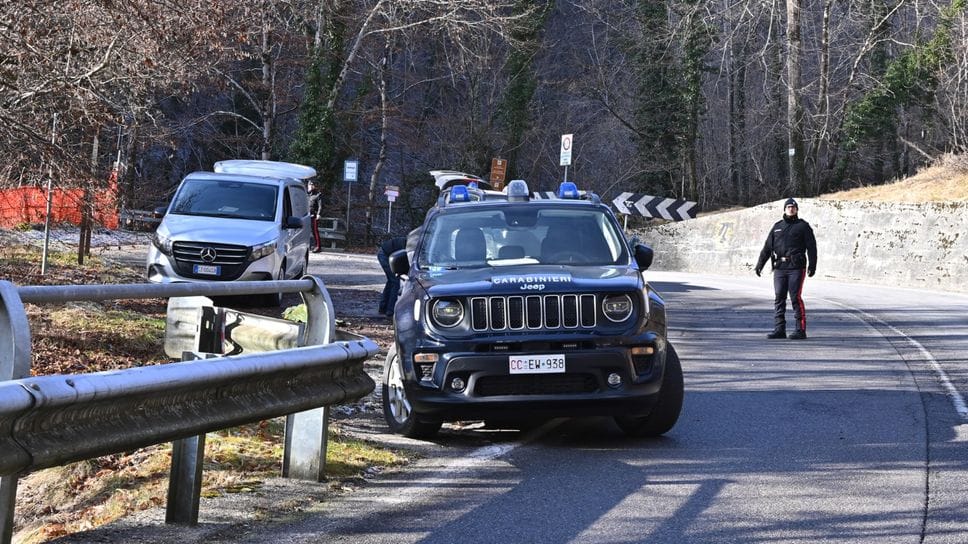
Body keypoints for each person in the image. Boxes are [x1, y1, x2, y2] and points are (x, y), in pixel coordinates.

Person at [754, 198, 817, 340]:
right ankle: (779, 329)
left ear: (797, 209)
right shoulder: (777, 227)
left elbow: (812, 247)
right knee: (779, 297)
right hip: (780, 267)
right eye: (788, 207)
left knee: (795, 297)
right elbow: (767, 248)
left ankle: (800, 330)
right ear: (784, 209)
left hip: (796, 266)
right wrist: (760, 265)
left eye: (793, 207)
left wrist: (812, 265)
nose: (791, 209)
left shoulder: (803, 226)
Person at [377, 236, 407, 318]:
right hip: (385, 255)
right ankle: (390, 310)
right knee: (395, 282)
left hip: (385, 253)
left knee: (391, 281)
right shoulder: (412, 246)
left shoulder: (413, 241)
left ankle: (383, 307)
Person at [307, 181, 322, 252]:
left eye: (311, 185)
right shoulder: (307, 195)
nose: (310, 186)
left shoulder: (317, 195)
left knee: (315, 231)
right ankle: (308, 246)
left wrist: (319, 214)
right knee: (306, 231)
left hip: (314, 215)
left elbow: (320, 206)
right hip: (307, 216)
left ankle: (318, 246)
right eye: (309, 185)